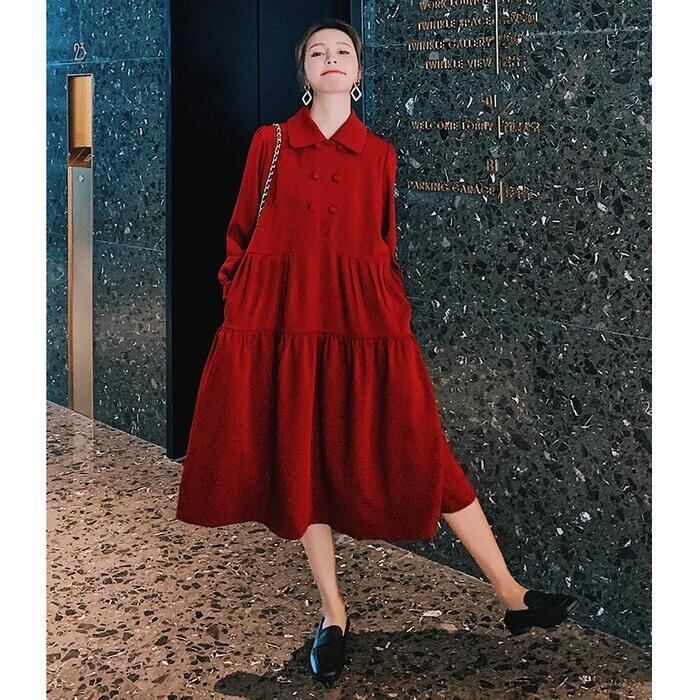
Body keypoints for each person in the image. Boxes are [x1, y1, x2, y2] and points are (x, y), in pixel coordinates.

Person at [176, 20, 578, 688]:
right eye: (318, 52)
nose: (331, 59)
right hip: (285, 321)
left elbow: (382, 243)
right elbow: (240, 230)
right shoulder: (270, 142)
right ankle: (333, 614)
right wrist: (241, 296)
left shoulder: (381, 154)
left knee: (421, 444)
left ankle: (512, 594)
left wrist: (387, 308)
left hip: (365, 326)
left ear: (359, 73)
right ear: (304, 72)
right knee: (302, 454)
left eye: (343, 51)